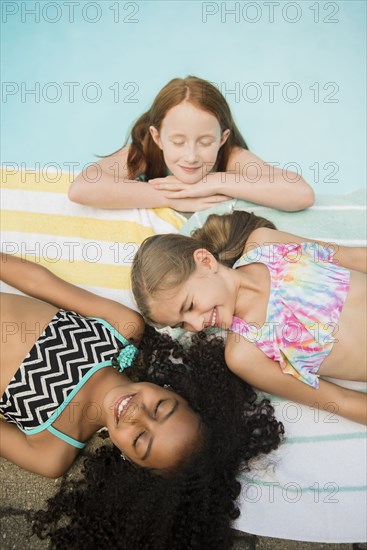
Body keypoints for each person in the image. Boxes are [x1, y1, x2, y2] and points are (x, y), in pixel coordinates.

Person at [0, 252, 283, 550]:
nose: (137, 414)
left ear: (128, 460)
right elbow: (40, 283)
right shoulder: (122, 329)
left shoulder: (53, 448)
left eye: (140, 439)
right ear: (174, 390)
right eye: (161, 407)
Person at [131, 210, 367, 425]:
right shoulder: (244, 353)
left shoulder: (266, 244)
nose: (196, 324)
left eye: (189, 306)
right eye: (181, 324)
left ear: (205, 261)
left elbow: (355, 258)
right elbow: (339, 400)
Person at [68, 76, 314, 213]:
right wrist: (172, 197)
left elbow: (300, 194)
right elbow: (81, 189)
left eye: (206, 142)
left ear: (222, 139)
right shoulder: (145, 151)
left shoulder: (231, 157)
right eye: (177, 141)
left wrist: (211, 182)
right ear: (157, 137)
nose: (191, 156)